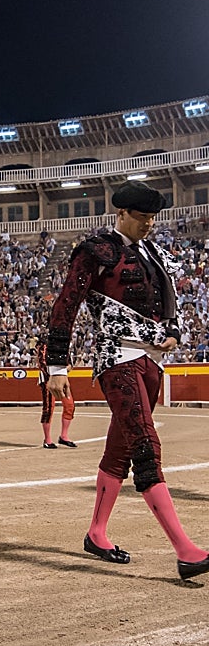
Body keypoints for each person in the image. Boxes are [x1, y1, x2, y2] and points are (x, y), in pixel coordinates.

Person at [45, 180, 209, 579]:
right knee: (145, 445)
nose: (148, 225)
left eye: (152, 218)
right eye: (141, 217)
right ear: (120, 214)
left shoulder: (154, 253)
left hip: (151, 360)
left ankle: (96, 532)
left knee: (121, 449)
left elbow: (169, 306)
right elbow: (66, 304)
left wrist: (174, 332)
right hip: (116, 356)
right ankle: (185, 550)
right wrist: (56, 367)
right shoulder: (95, 250)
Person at [35, 341, 75, 448]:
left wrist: (62, 371)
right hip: (47, 379)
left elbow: (70, 364)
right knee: (48, 409)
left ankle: (64, 436)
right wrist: (59, 372)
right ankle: (47, 439)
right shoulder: (44, 344)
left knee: (70, 406)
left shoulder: (64, 345)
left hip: (62, 379)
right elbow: (42, 364)